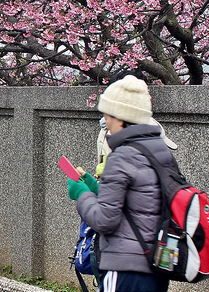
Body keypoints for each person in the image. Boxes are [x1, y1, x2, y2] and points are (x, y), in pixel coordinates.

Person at [67, 75, 172, 292]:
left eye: (108, 115)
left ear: (122, 118)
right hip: (155, 266)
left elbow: (105, 220)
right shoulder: (159, 151)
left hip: (125, 267)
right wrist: (96, 189)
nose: (105, 123)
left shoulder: (122, 155)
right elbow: (138, 203)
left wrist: (82, 194)